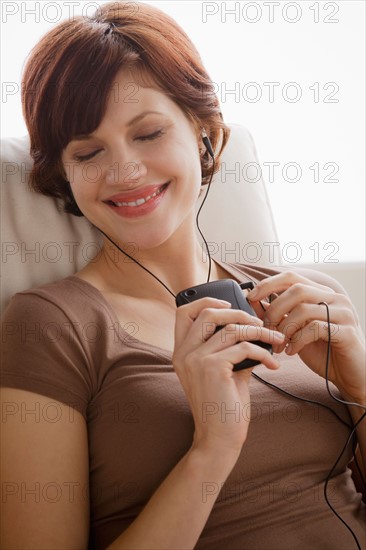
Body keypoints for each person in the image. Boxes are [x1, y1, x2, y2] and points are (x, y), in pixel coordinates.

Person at [1, 2, 365, 549]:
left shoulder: (306, 299)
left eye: (147, 134)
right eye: (89, 151)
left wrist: (359, 381)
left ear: (204, 132)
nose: (124, 170)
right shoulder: (51, 326)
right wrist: (212, 448)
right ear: (65, 176)